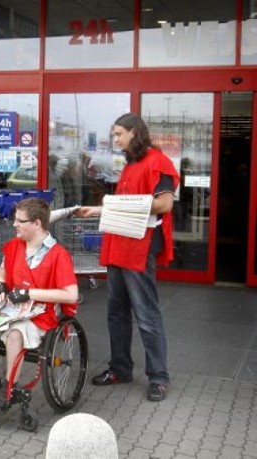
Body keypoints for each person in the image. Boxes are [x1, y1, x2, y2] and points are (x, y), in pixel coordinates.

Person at [76, 113, 179, 402]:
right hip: (120, 245)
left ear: (135, 132)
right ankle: (120, 368)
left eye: (120, 133)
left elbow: (164, 204)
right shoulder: (132, 164)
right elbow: (127, 204)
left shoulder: (158, 162)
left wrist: (107, 208)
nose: (116, 139)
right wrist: (97, 210)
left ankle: (159, 377)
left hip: (138, 248)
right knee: (116, 312)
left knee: (146, 314)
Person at [0, 197, 79, 409]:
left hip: (40, 313)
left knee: (15, 335)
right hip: (13, 307)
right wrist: (0, 284)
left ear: (37, 223)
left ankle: (9, 387)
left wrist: (30, 293)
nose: (14, 224)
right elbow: (3, 269)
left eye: (20, 221)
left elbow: (71, 295)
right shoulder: (14, 246)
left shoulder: (58, 255)